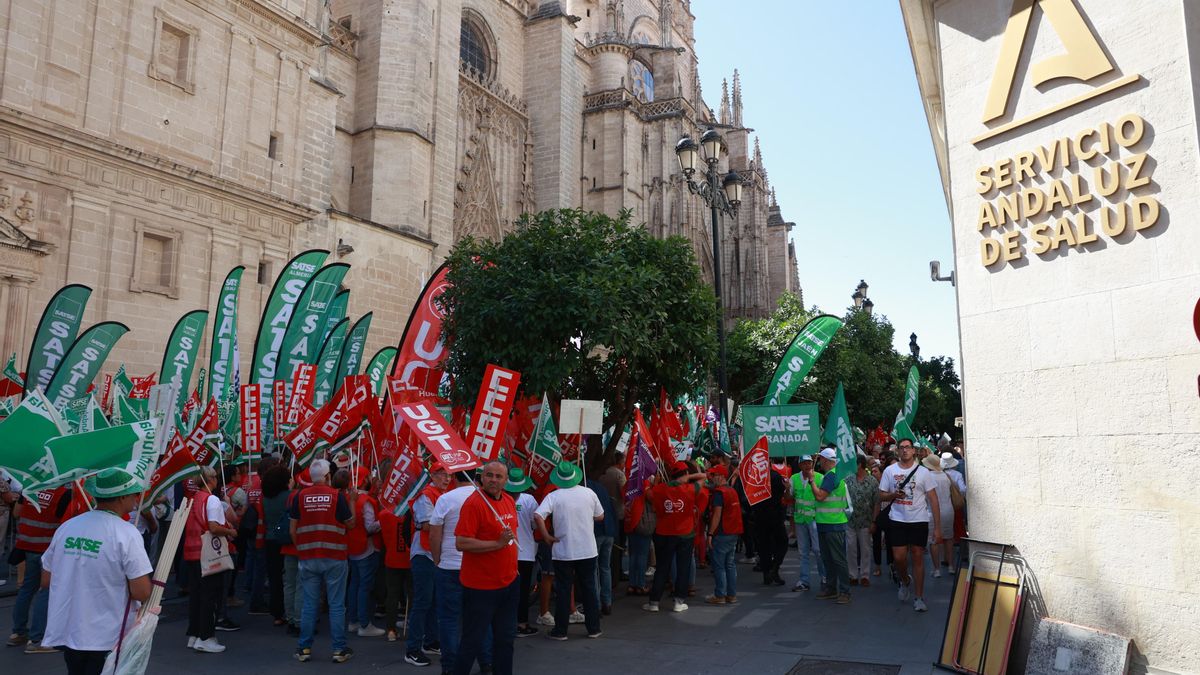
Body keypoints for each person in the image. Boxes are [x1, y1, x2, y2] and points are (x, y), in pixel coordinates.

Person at [40, 468, 153, 675]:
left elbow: (47, 579)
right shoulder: (127, 532)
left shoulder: (67, 528)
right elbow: (141, 592)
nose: (137, 499)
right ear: (122, 497)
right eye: (134, 494)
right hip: (107, 634)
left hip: (69, 628)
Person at [453, 462, 519, 675]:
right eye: (489, 475)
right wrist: (496, 545)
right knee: (472, 640)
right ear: (481, 477)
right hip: (481, 587)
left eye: (499, 476)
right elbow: (461, 542)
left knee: (505, 640)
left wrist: (513, 565)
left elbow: (511, 537)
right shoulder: (474, 504)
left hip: (508, 583)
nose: (493, 480)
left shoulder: (508, 500)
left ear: (505, 480)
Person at [290, 458, 356, 663]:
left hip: (308, 557)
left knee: (309, 605)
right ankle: (338, 649)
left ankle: (304, 648)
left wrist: (301, 549)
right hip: (335, 557)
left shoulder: (299, 496)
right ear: (328, 477)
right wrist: (352, 501)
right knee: (336, 605)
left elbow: (293, 529)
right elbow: (351, 524)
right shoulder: (338, 497)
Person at [534, 460, 604, 639]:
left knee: (564, 590)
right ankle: (594, 628)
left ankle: (561, 630)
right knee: (589, 588)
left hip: (563, 551)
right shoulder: (589, 492)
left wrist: (546, 536)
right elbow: (600, 516)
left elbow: (538, 515)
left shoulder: (555, 496)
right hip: (587, 550)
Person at [430, 470, 490, 674]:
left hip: (449, 566)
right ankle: (487, 662)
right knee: (480, 618)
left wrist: (438, 560)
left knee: (448, 620)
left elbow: (434, 535)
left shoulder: (445, 499)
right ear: (477, 477)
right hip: (477, 566)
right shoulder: (484, 499)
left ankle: (450, 667)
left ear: (455, 477)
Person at [878, 438, 944, 613]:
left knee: (917, 557)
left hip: (919, 520)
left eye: (908, 447)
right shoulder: (890, 471)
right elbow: (881, 496)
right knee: (899, 558)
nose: (905, 450)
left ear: (914, 451)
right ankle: (905, 580)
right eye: (902, 448)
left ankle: (919, 598)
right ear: (898, 451)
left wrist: (937, 528)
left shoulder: (924, 472)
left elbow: (934, 500)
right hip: (897, 519)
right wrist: (893, 495)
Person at [9, 485, 75, 653]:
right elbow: (66, 524)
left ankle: (18, 633)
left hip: (27, 545)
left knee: (27, 588)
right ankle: (37, 640)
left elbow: (16, 513)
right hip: (48, 548)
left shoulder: (30, 488)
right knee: (46, 591)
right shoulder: (63, 494)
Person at [183, 466, 236, 653]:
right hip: (208, 555)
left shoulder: (193, 499)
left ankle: (195, 634)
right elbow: (213, 527)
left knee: (197, 596)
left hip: (192, 553)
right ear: (211, 480)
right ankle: (206, 637)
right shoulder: (211, 499)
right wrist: (230, 531)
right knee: (210, 597)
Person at [643, 461, 702, 613]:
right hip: (685, 534)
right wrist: (687, 478)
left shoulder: (660, 489)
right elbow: (703, 477)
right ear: (685, 475)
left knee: (662, 567)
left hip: (664, 533)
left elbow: (648, 493)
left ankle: (654, 602)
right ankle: (679, 601)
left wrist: (661, 481)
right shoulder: (689, 488)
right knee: (683, 568)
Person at [405, 462, 448, 667]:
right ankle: (412, 649)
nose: (447, 478)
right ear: (432, 475)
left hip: (435, 553)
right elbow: (426, 524)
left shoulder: (441, 495)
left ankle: (430, 641)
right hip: (424, 554)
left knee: (432, 601)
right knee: (423, 602)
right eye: (442, 474)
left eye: (448, 475)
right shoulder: (426, 495)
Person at [809, 448, 851, 605]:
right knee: (828, 559)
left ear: (825, 460)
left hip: (833, 524)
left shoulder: (832, 475)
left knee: (837, 560)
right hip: (826, 523)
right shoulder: (833, 474)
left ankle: (844, 591)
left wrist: (812, 481)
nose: (819, 462)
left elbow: (820, 496)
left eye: (820, 459)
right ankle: (832, 589)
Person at [346, 468, 384, 637]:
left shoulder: (349, 497)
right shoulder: (366, 500)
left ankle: (353, 621)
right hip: (366, 547)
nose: (371, 478)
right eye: (368, 476)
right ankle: (364, 624)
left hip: (352, 546)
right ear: (363, 480)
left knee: (354, 584)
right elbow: (370, 526)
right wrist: (383, 518)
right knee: (364, 586)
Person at [504, 467, 540, 637]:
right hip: (525, 551)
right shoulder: (529, 499)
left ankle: (506, 623)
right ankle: (522, 624)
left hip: (505, 552)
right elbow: (535, 523)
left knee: (506, 590)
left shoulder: (500, 499)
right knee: (523, 590)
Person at [703, 465, 741, 605]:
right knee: (729, 564)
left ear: (721, 476)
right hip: (733, 532)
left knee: (719, 566)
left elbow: (717, 514)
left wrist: (710, 534)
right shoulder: (731, 491)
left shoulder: (720, 493)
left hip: (722, 532)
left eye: (713, 475)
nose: (711, 478)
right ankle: (731, 595)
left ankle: (720, 595)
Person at [377, 489, 412, 643]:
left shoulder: (384, 514)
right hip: (409, 559)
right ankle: (410, 623)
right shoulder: (412, 513)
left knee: (392, 595)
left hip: (391, 558)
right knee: (412, 594)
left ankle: (390, 629)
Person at [260, 465, 291, 627]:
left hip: (270, 539)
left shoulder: (265, 498)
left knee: (274, 578)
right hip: (286, 538)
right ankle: (290, 610)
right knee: (290, 577)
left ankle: (277, 613)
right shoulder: (289, 496)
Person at [789, 455, 825, 592]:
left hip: (815, 519)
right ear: (800, 465)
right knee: (803, 552)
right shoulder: (794, 479)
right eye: (804, 463)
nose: (807, 465)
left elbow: (822, 496)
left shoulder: (820, 478)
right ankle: (804, 581)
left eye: (809, 462)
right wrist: (787, 488)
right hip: (800, 520)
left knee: (818, 550)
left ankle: (825, 577)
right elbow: (788, 497)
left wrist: (812, 481)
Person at [845, 454, 879, 586]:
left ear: (859, 465)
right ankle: (852, 575)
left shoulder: (872, 481)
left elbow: (876, 503)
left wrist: (874, 521)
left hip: (866, 520)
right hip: (851, 520)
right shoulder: (848, 480)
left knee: (865, 549)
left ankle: (865, 575)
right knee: (851, 549)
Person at [586, 472, 617, 615]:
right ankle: (607, 602)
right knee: (605, 567)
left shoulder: (585, 489)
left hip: (596, 532)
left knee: (594, 569)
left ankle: (596, 604)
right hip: (609, 530)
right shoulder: (601, 488)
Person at [922, 454, 955, 578]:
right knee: (949, 539)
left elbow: (925, 496)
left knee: (934, 541)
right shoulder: (946, 476)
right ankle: (951, 566)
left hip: (932, 511)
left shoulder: (928, 477)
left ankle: (937, 569)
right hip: (948, 510)